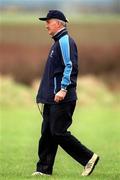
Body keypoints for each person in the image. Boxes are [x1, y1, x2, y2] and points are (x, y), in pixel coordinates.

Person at [32, 10, 99, 177]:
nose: (45, 25)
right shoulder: (56, 42)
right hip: (51, 98)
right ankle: (43, 170)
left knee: (58, 132)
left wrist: (63, 89)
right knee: (47, 133)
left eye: (48, 22)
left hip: (62, 97)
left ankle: (88, 157)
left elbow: (70, 66)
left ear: (59, 23)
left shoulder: (64, 40)